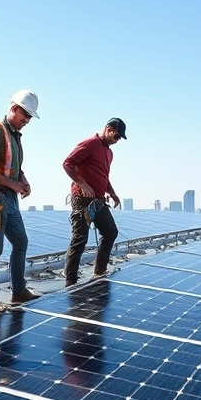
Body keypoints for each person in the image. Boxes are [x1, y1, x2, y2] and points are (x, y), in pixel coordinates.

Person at [0, 90, 42, 312]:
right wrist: (12, 184)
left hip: (9, 198)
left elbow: (12, 165)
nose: (27, 121)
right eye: (25, 115)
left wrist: (22, 180)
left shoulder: (14, 135)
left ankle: (18, 290)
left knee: (21, 242)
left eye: (30, 117)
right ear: (13, 108)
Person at [61, 118, 127, 286]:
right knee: (80, 238)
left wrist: (112, 194)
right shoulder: (90, 144)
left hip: (98, 200)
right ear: (108, 129)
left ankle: (99, 271)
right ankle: (70, 282)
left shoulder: (109, 153)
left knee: (110, 232)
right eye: (116, 135)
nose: (117, 140)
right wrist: (82, 184)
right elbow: (68, 163)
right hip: (81, 199)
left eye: (119, 138)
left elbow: (103, 176)